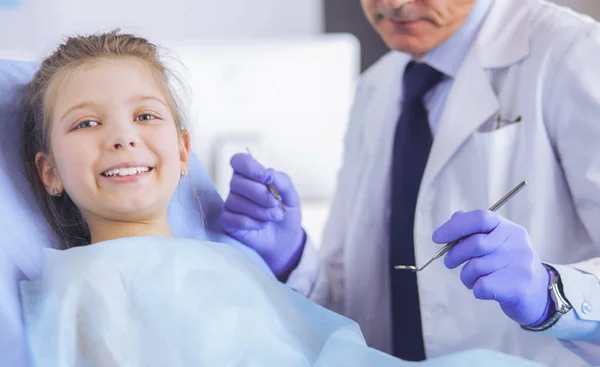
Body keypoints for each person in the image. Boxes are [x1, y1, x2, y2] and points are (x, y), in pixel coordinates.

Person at [17, 29, 544, 367]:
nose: (123, 137)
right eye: (87, 123)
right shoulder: (84, 287)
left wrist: (289, 256)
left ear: (183, 153)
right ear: (49, 173)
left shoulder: (232, 262)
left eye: (146, 115)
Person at [219, 0, 600, 365]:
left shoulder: (572, 53)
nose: (396, 3)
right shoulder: (377, 86)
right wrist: (292, 256)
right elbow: (351, 301)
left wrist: (550, 294)